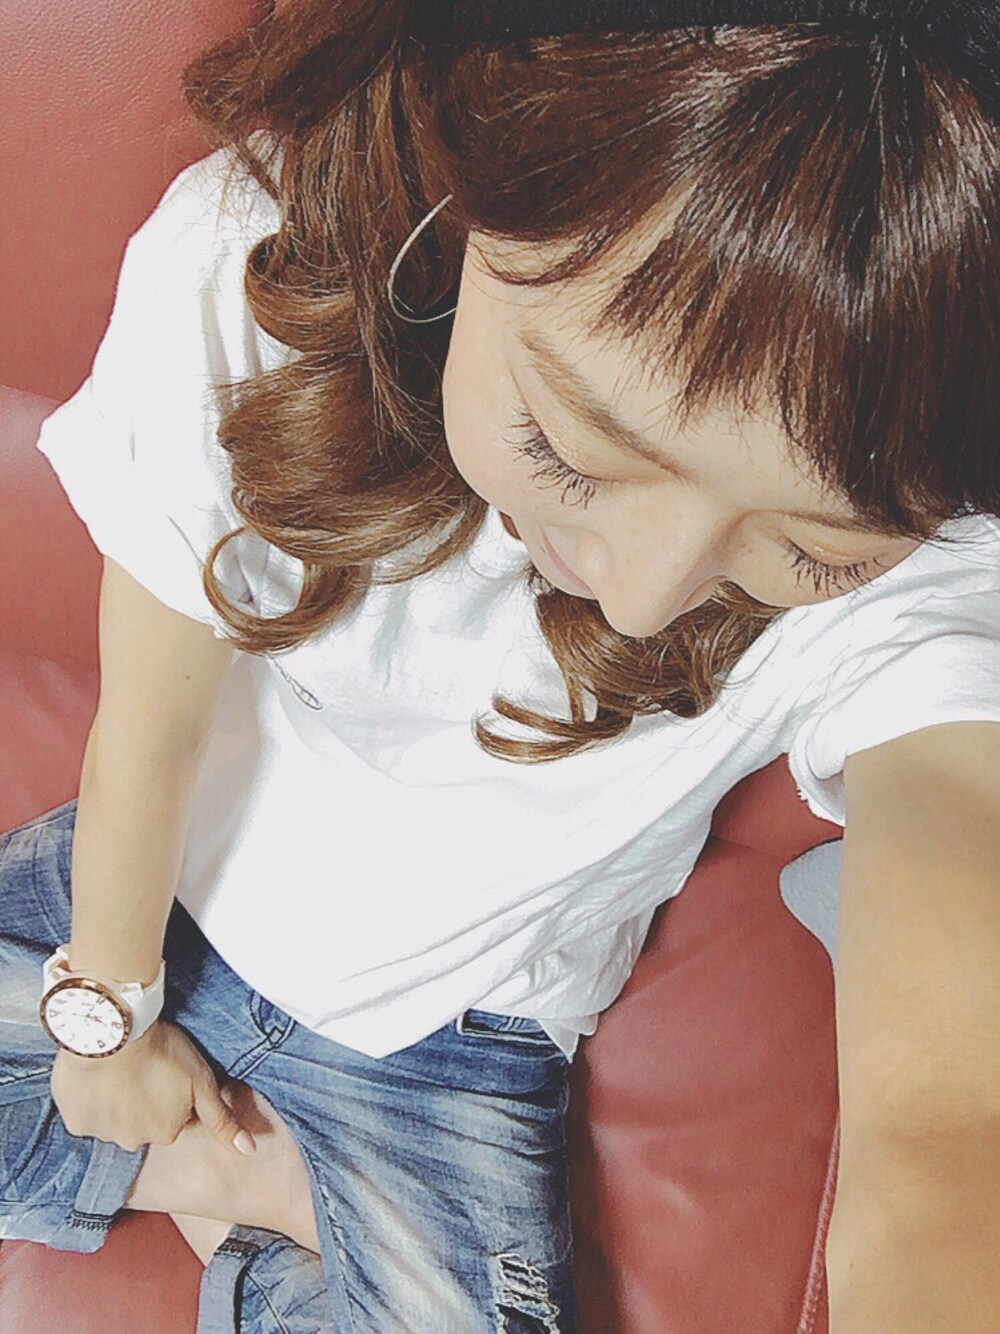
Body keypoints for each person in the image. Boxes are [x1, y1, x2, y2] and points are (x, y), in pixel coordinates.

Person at [2, 1, 999, 1330]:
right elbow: (147, 729)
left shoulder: (932, 550)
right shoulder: (248, 262)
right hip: (163, 895)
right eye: (572, 448)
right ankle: (238, 1186)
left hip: (456, 1039)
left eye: (810, 550)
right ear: (472, 190)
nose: (643, 593)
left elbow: (947, 1134)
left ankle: (242, 1189)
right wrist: (110, 1020)